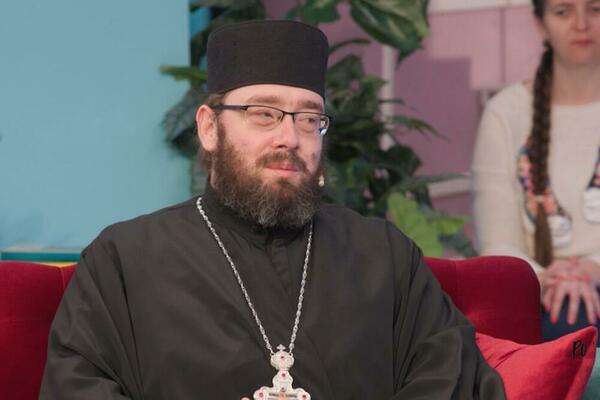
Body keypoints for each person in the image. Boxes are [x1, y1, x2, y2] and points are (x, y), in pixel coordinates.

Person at [40, 20, 505, 399]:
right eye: (264, 113)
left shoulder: (385, 255)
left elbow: (454, 379)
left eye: (309, 119)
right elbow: (77, 387)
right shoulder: (124, 259)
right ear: (209, 127)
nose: (289, 138)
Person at [472, 0, 600, 341]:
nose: (581, 24)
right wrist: (549, 279)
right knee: (569, 320)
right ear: (541, 25)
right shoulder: (504, 113)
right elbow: (497, 242)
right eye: (563, 11)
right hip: (539, 290)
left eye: (595, 9)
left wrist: (592, 268)